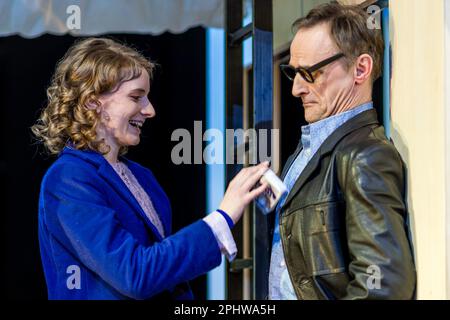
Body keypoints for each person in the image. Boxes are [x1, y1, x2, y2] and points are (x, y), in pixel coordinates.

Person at [32, 37, 269, 300]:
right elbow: (134, 274)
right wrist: (222, 218)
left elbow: (161, 273)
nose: (150, 110)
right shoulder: (68, 178)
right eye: (136, 97)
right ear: (92, 101)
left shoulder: (141, 176)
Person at [269, 2, 416, 300]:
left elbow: (382, 286)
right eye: (293, 72)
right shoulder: (310, 149)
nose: (296, 88)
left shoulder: (366, 156)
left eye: (309, 73)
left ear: (360, 69)